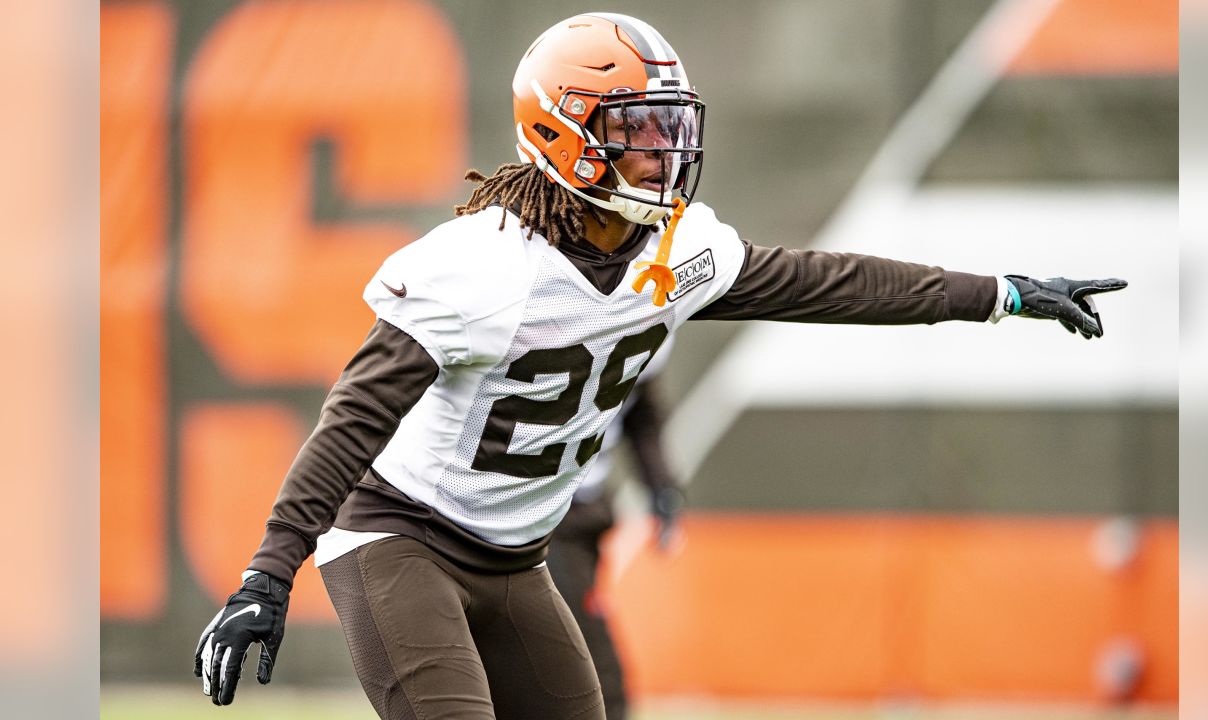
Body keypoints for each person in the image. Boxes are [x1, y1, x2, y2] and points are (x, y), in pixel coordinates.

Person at [193, 12, 1126, 720]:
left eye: (667, 126)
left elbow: (829, 281)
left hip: (516, 556)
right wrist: (268, 576)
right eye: (636, 130)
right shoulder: (479, 269)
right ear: (564, 135)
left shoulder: (673, 253)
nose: (662, 151)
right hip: (401, 535)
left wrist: (999, 291)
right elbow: (350, 425)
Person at [546, 338, 681, 720]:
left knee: (590, 672)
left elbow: (641, 409)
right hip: (511, 508)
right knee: (585, 671)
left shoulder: (651, 307)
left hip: (576, 514)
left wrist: (662, 487)